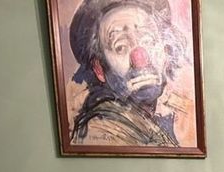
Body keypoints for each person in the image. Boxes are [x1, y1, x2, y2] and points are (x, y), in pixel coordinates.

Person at [68, 0, 187, 146]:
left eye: (148, 41)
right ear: (99, 69)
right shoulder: (100, 129)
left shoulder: (163, 118)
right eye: (121, 47)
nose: (140, 60)